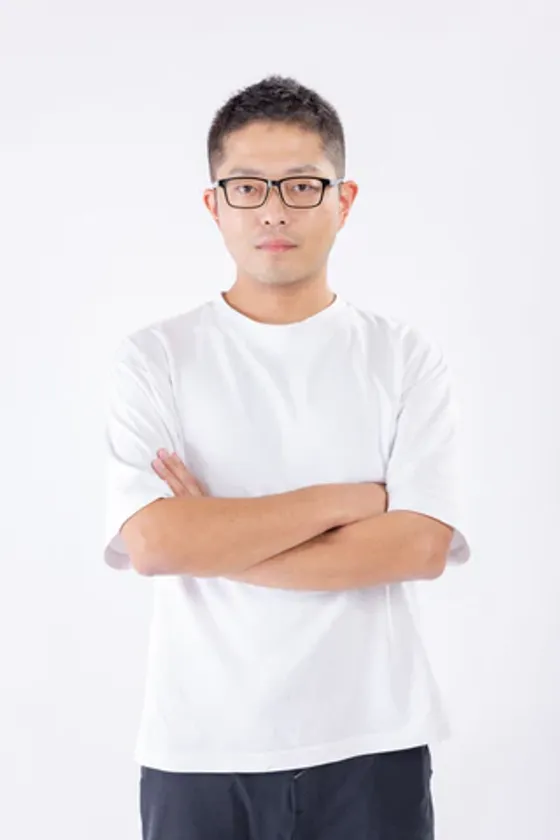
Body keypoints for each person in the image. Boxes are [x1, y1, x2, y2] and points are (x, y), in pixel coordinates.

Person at [103, 75, 471, 840]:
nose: (273, 210)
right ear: (215, 204)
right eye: (247, 187)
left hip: (372, 745)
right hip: (198, 749)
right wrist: (349, 500)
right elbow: (157, 544)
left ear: (344, 199)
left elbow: (419, 547)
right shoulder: (155, 358)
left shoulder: (403, 357)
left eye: (303, 185)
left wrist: (214, 535)